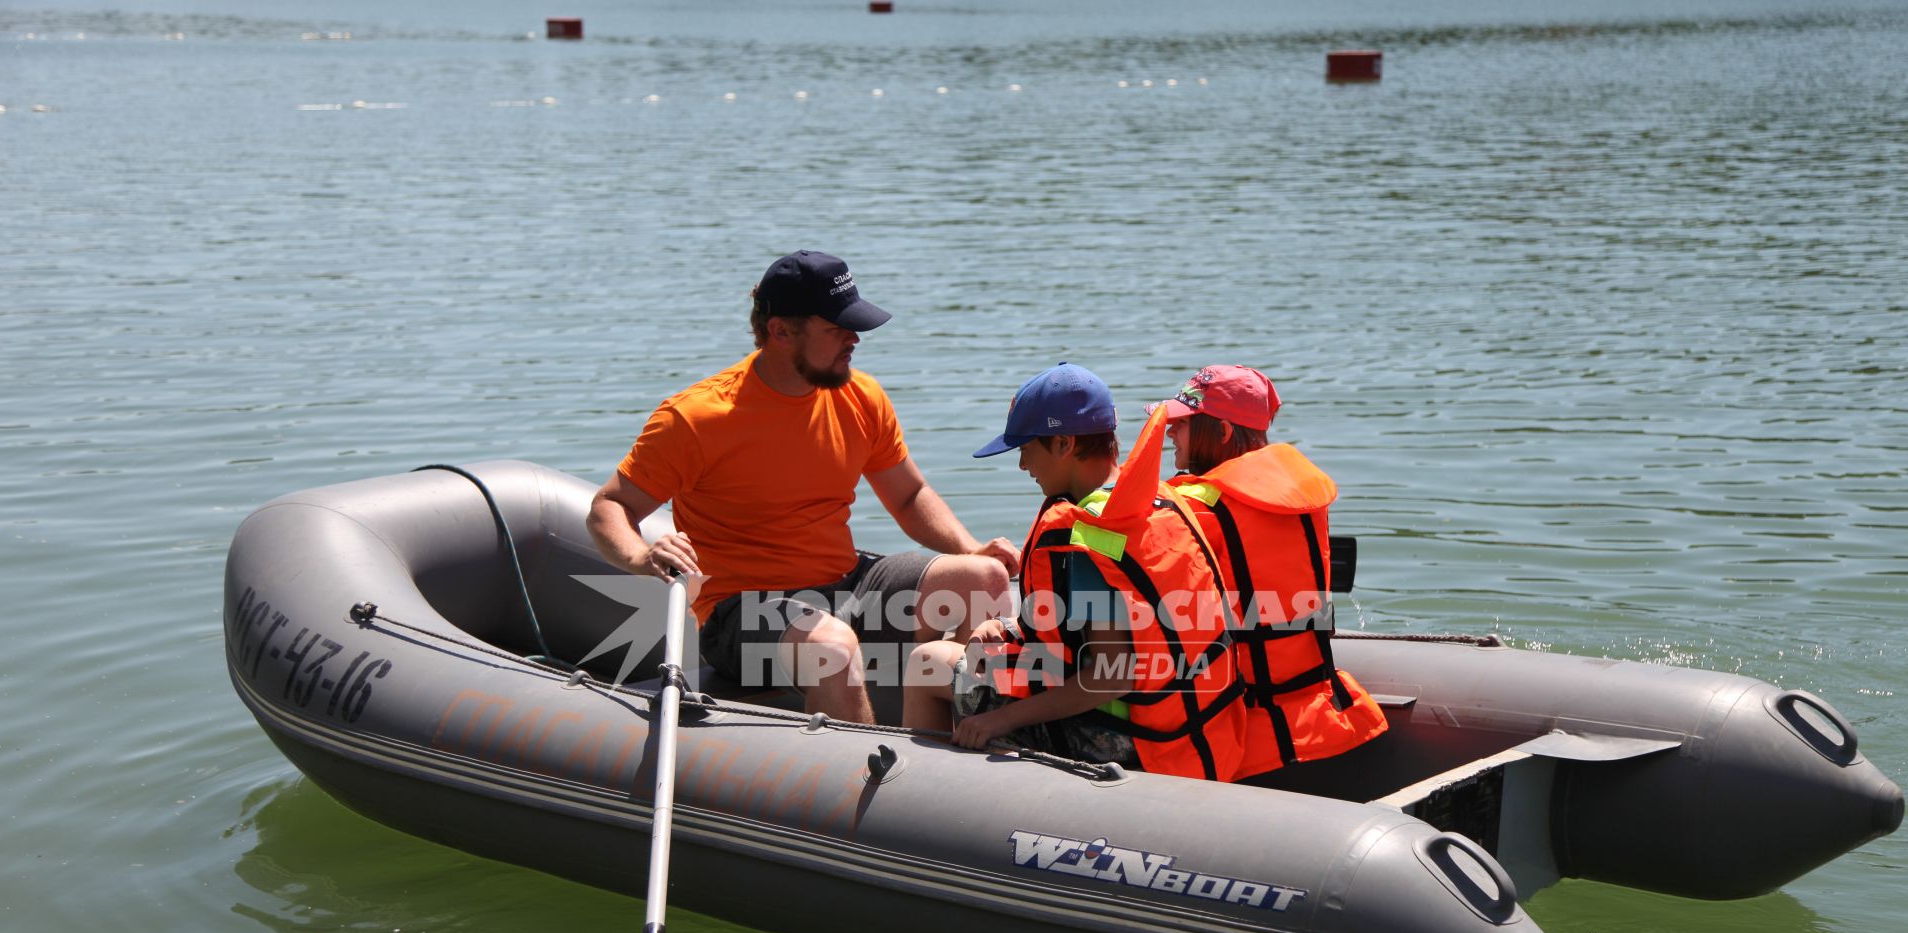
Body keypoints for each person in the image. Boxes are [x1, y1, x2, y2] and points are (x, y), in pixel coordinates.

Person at [587, 250, 1017, 723]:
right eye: (837, 328)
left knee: (985, 580)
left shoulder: (861, 397)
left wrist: (972, 548)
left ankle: (972, 743)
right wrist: (641, 557)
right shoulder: (695, 419)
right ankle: (868, 785)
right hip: (744, 613)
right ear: (781, 332)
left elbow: (909, 496)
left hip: (847, 585)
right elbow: (610, 506)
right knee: (831, 646)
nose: (854, 338)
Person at [903, 363, 1252, 781]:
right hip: (1188, 728)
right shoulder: (1158, 503)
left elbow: (1111, 676)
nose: (1022, 466)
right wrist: (1013, 628)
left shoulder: (1089, 536)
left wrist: (1003, 720)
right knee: (977, 653)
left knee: (927, 662)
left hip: (1125, 739)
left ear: (1065, 443)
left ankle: (923, 798)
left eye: (1026, 449)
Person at [1156, 364, 1387, 778]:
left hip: (1250, 743)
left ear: (1223, 432)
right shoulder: (1304, 502)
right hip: (1326, 719)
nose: (1170, 432)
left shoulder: (1196, 508)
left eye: (1183, 423)